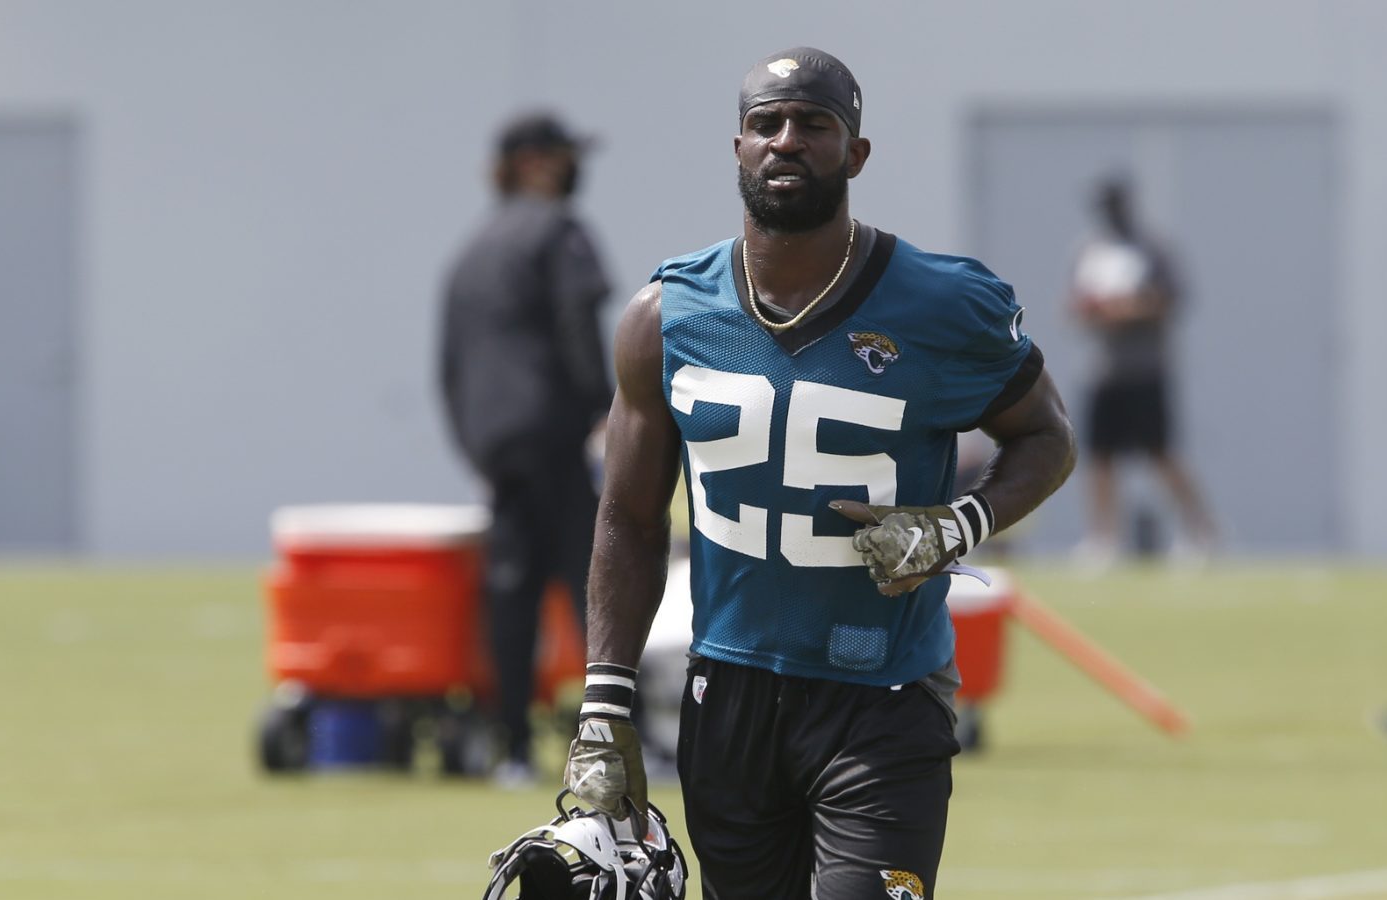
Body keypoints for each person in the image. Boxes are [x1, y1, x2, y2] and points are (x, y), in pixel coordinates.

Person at [560, 47, 1076, 899]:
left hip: (884, 694)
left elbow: (1047, 437)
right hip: (727, 692)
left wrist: (960, 524)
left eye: (814, 123)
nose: (786, 140)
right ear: (738, 147)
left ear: (856, 153)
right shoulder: (667, 315)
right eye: (766, 123)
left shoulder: (942, 304)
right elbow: (629, 519)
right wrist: (605, 702)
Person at [439, 111, 612, 785]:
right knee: (599, 585)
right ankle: (613, 739)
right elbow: (578, 324)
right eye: (566, 156)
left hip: (497, 447)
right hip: (557, 434)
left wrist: (477, 446)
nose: (576, 170)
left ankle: (510, 746)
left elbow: (450, 365)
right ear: (535, 163)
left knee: (513, 595)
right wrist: (608, 409)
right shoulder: (558, 232)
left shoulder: (472, 248)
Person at [1069, 177, 1215, 565]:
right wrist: (1093, 310)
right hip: (1104, 370)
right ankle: (1103, 539)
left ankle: (1200, 531)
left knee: (1161, 453)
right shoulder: (1091, 251)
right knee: (1099, 458)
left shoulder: (1152, 248)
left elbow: (1173, 298)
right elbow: (1074, 307)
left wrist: (1129, 308)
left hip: (1146, 369)